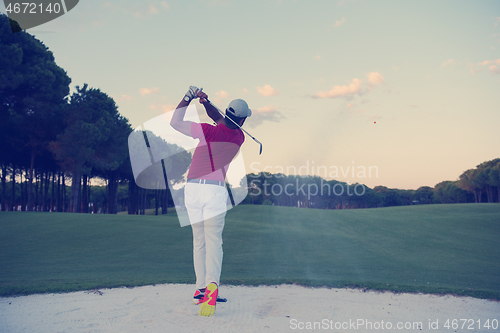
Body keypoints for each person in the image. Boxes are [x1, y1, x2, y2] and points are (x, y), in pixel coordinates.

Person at [170, 86, 251, 317]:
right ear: (243, 120)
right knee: (214, 241)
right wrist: (205, 103)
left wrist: (189, 98)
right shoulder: (239, 137)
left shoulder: (206, 131)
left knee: (199, 241)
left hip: (193, 189)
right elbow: (223, 121)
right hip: (214, 192)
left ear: (228, 113)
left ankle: (200, 290)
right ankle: (211, 288)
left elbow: (175, 122)